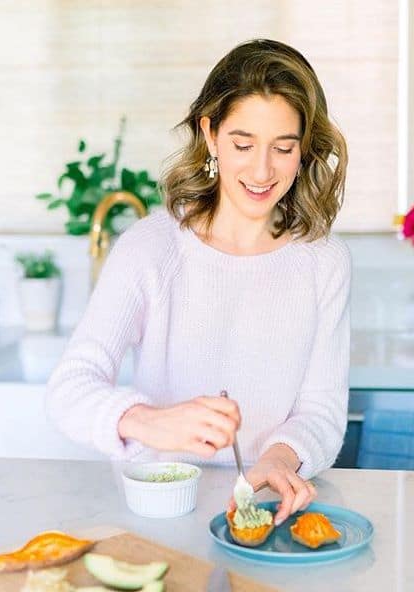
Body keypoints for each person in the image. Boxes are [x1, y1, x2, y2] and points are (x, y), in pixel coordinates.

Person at [47, 39, 350, 526]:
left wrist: (276, 460)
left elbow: (323, 412)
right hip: (158, 511)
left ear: (305, 148)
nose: (261, 170)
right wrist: (151, 421)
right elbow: (69, 390)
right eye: (243, 144)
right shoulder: (152, 247)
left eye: (284, 148)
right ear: (210, 135)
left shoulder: (323, 261)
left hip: (269, 513)